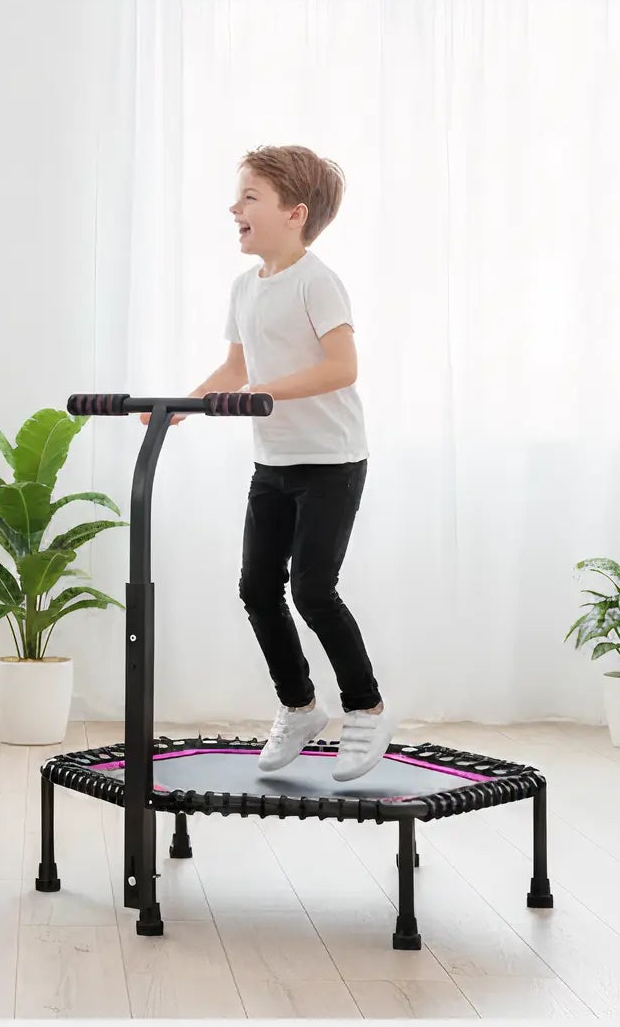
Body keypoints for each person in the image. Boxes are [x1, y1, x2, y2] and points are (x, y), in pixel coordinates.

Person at [152, 145, 391, 781]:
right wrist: (179, 406)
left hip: (332, 462)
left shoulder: (317, 282)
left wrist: (266, 392)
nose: (234, 208)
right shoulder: (244, 288)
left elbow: (343, 368)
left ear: (295, 213)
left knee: (313, 589)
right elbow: (235, 369)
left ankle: (366, 709)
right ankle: (300, 707)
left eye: (250, 197)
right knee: (257, 588)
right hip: (275, 462)